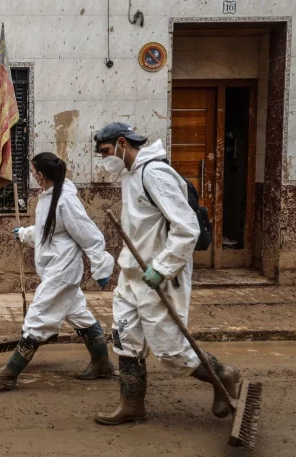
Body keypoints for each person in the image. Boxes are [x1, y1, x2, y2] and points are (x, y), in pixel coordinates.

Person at [92, 122, 240, 425]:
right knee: (126, 339)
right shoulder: (129, 175)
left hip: (160, 275)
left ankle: (223, 375)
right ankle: (132, 404)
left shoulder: (154, 174)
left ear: (122, 143)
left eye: (106, 151)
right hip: (132, 273)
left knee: (171, 352)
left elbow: (187, 228)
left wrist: (161, 268)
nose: (105, 158)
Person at [0, 152, 115, 389]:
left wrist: (101, 266)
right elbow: (49, 231)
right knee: (79, 314)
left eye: (33, 173)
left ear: (41, 175)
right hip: (56, 267)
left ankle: (10, 373)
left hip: (62, 271)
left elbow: (90, 236)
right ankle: (102, 362)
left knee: (38, 315)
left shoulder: (65, 200)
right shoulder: (49, 197)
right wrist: (25, 234)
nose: (33, 177)